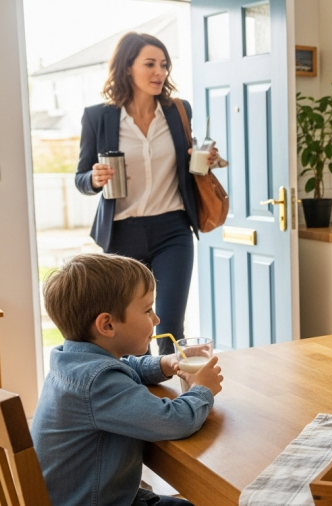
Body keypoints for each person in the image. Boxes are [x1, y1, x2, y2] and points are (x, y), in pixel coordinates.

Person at [32, 253, 224, 506]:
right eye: (147, 310)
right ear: (107, 325)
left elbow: (124, 366)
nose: (156, 320)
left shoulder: (73, 361)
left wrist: (163, 364)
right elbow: (174, 422)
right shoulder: (98, 383)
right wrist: (202, 389)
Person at [74, 32, 222, 355]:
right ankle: (137, 399)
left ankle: (177, 401)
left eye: (164, 65)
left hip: (173, 230)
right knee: (130, 332)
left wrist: (206, 159)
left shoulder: (178, 110)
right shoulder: (98, 116)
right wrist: (95, 179)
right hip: (122, 234)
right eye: (150, 64)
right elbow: (81, 178)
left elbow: (191, 164)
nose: (160, 72)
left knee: (169, 324)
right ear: (128, 67)